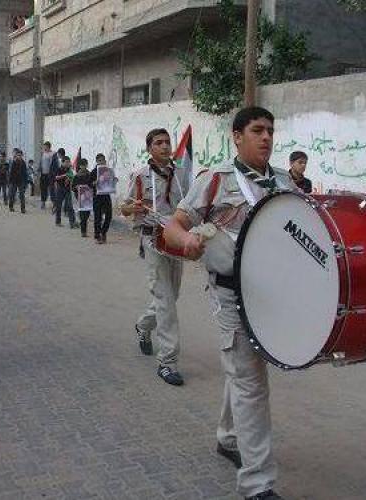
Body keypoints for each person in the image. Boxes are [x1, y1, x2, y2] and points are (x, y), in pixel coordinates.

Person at [164, 106, 296, 500]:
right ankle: (257, 483)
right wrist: (186, 241)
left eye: (271, 130)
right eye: (258, 130)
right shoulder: (215, 180)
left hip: (271, 295)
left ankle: (228, 436)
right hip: (230, 295)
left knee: (244, 373)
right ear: (237, 136)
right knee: (252, 382)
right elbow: (175, 224)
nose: (267, 137)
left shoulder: (287, 184)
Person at [119, 128, 189, 386]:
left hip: (176, 240)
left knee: (171, 296)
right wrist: (133, 207)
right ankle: (167, 362)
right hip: (152, 241)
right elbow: (124, 208)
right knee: (166, 299)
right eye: (158, 143)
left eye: (167, 142)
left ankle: (143, 325)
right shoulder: (139, 175)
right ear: (150, 148)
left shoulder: (181, 174)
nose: (164, 146)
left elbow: (189, 205)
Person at [91, 153, 116, 244]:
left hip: (106, 195)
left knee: (109, 215)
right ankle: (97, 236)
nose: (102, 162)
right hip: (97, 196)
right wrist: (95, 182)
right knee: (98, 217)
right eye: (100, 160)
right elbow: (89, 184)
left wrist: (114, 180)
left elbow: (111, 182)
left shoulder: (108, 170)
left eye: (103, 160)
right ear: (97, 161)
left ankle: (103, 232)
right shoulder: (94, 172)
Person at [71, 158, 93, 237]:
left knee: (87, 213)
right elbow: (72, 187)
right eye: (82, 165)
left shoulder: (90, 175)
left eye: (85, 165)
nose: (83, 167)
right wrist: (76, 188)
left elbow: (92, 185)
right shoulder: (77, 176)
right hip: (80, 197)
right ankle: (83, 231)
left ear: (87, 165)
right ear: (80, 166)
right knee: (83, 213)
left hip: (88, 197)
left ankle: (83, 227)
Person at [53, 155, 76, 228]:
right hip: (60, 189)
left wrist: (70, 179)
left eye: (69, 162)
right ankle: (58, 221)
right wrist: (64, 176)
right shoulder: (59, 169)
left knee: (70, 206)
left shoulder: (69, 170)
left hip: (67, 189)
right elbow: (56, 177)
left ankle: (72, 223)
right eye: (66, 162)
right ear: (62, 162)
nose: (68, 163)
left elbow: (72, 178)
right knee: (59, 206)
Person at [39, 141, 58, 209]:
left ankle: (54, 203)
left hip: (50, 175)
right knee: (43, 189)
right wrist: (39, 170)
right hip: (43, 174)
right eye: (44, 146)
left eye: (45, 146)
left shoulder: (53, 154)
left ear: (48, 146)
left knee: (51, 189)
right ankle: (43, 202)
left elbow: (56, 165)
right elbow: (41, 163)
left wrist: (55, 174)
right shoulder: (43, 153)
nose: (44, 148)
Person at [8, 149, 28, 213]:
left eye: (20, 155)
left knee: (22, 195)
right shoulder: (13, 162)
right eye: (18, 155)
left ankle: (23, 209)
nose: (19, 156)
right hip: (13, 181)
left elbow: (25, 174)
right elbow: (11, 173)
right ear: (16, 155)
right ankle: (11, 207)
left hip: (21, 182)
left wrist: (25, 183)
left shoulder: (23, 163)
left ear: (22, 156)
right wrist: (10, 182)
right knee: (12, 195)